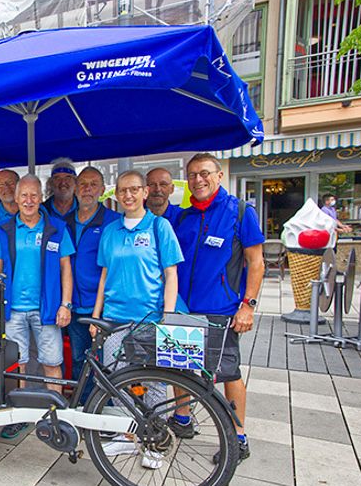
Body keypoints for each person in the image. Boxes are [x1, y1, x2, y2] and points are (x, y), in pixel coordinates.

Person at [173, 152, 265, 463]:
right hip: (184, 309)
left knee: (228, 372)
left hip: (220, 309)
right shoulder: (183, 217)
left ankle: (238, 437)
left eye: (204, 173)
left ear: (219, 175)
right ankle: (182, 419)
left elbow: (256, 262)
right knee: (180, 366)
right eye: (193, 175)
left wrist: (248, 305)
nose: (198, 180)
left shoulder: (239, 212)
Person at [89, 170, 183, 468]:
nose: (128, 195)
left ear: (144, 192)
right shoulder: (111, 231)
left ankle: (155, 441)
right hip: (114, 319)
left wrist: (168, 317)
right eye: (122, 191)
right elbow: (104, 275)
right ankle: (128, 435)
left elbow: (171, 274)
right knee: (115, 379)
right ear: (116, 195)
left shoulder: (159, 226)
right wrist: (95, 316)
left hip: (149, 318)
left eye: (133, 190)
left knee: (153, 382)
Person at [0, 175, 74, 438]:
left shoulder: (56, 228)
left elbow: (66, 269)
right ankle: (21, 415)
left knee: (52, 362)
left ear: (41, 197)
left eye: (34, 195)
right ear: (16, 198)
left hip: (47, 309)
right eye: (24, 195)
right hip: (13, 309)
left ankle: (56, 415)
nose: (29, 200)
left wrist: (66, 304)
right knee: (20, 364)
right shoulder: (4, 229)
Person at [64, 167, 119, 402]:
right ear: (75, 189)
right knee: (80, 359)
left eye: (93, 184)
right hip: (74, 307)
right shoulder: (63, 222)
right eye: (83, 184)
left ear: (103, 189)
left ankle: (107, 406)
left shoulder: (113, 222)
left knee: (108, 363)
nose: (87, 189)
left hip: (104, 307)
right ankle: (85, 405)